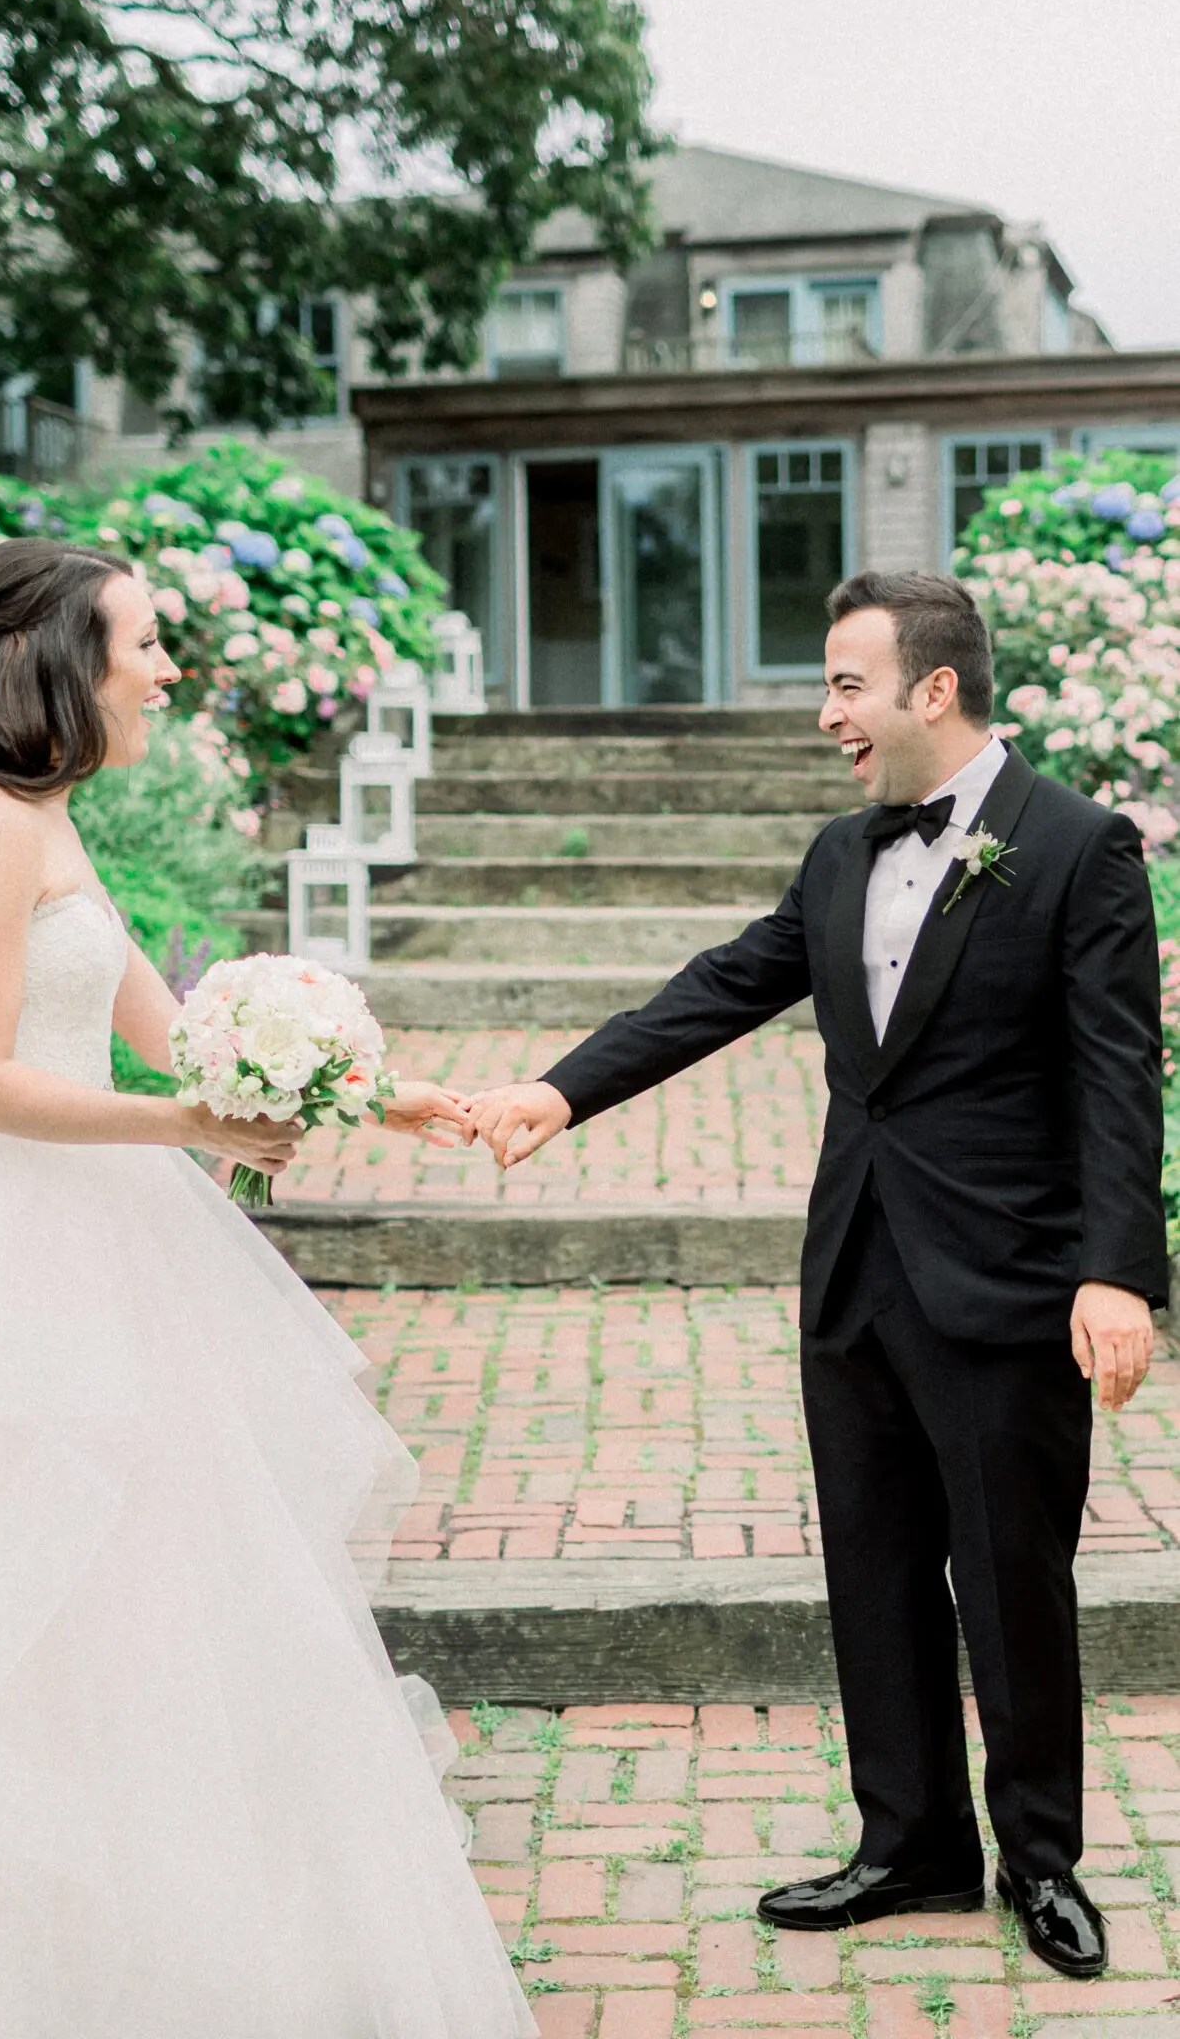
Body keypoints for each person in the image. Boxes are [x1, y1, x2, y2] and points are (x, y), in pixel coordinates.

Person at [0, 538, 535, 2038]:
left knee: (159, 1604)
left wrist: (373, 1092)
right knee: (17, 1593)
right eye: (140, 643)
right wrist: (193, 1129)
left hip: (101, 1237)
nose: (161, 669)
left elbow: (179, 1026)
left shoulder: (47, 821)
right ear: (59, 659)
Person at [465, 570, 1166, 1977]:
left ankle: (1040, 1861)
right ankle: (908, 1846)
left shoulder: (1078, 847)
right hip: (853, 1267)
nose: (825, 715)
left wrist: (1117, 1274)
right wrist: (557, 1092)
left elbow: (1114, 1076)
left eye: (844, 684)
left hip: (1010, 1279)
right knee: (875, 1567)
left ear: (932, 690)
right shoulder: (840, 854)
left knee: (1010, 1580)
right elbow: (725, 983)